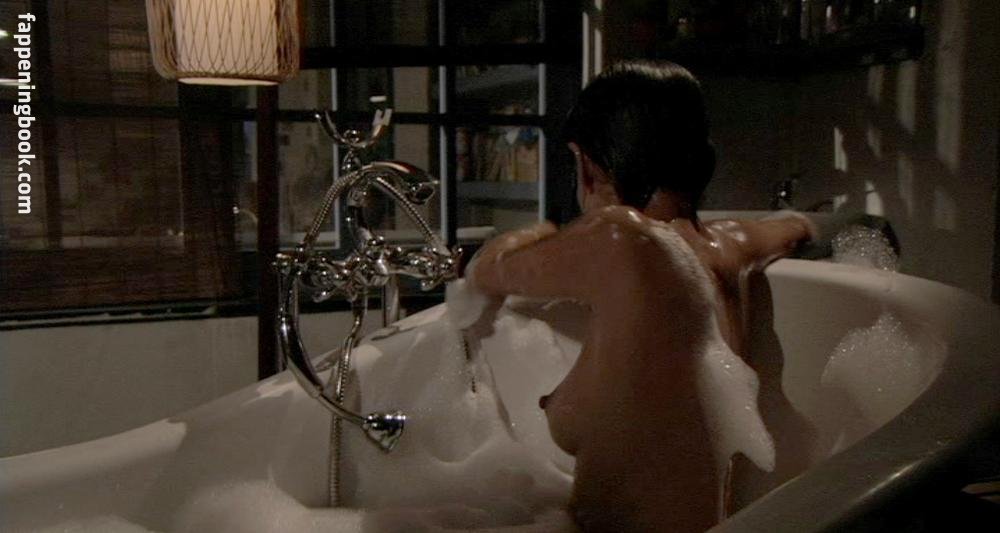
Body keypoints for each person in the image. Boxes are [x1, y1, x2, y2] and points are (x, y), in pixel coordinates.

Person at [466, 61, 816, 532]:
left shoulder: (620, 239)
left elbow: (488, 270)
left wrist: (539, 233)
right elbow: (799, 228)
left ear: (588, 164)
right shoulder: (730, 246)